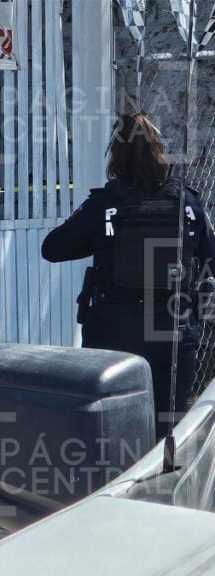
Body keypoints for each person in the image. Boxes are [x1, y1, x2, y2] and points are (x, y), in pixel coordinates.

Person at [42, 112, 215, 439]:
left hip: (114, 329)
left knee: (107, 426)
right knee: (169, 431)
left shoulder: (105, 204)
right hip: (173, 330)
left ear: (115, 156)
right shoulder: (187, 203)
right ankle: (162, 471)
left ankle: (114, 471)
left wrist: (102, 238)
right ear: (160, 152)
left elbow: (52, 248)